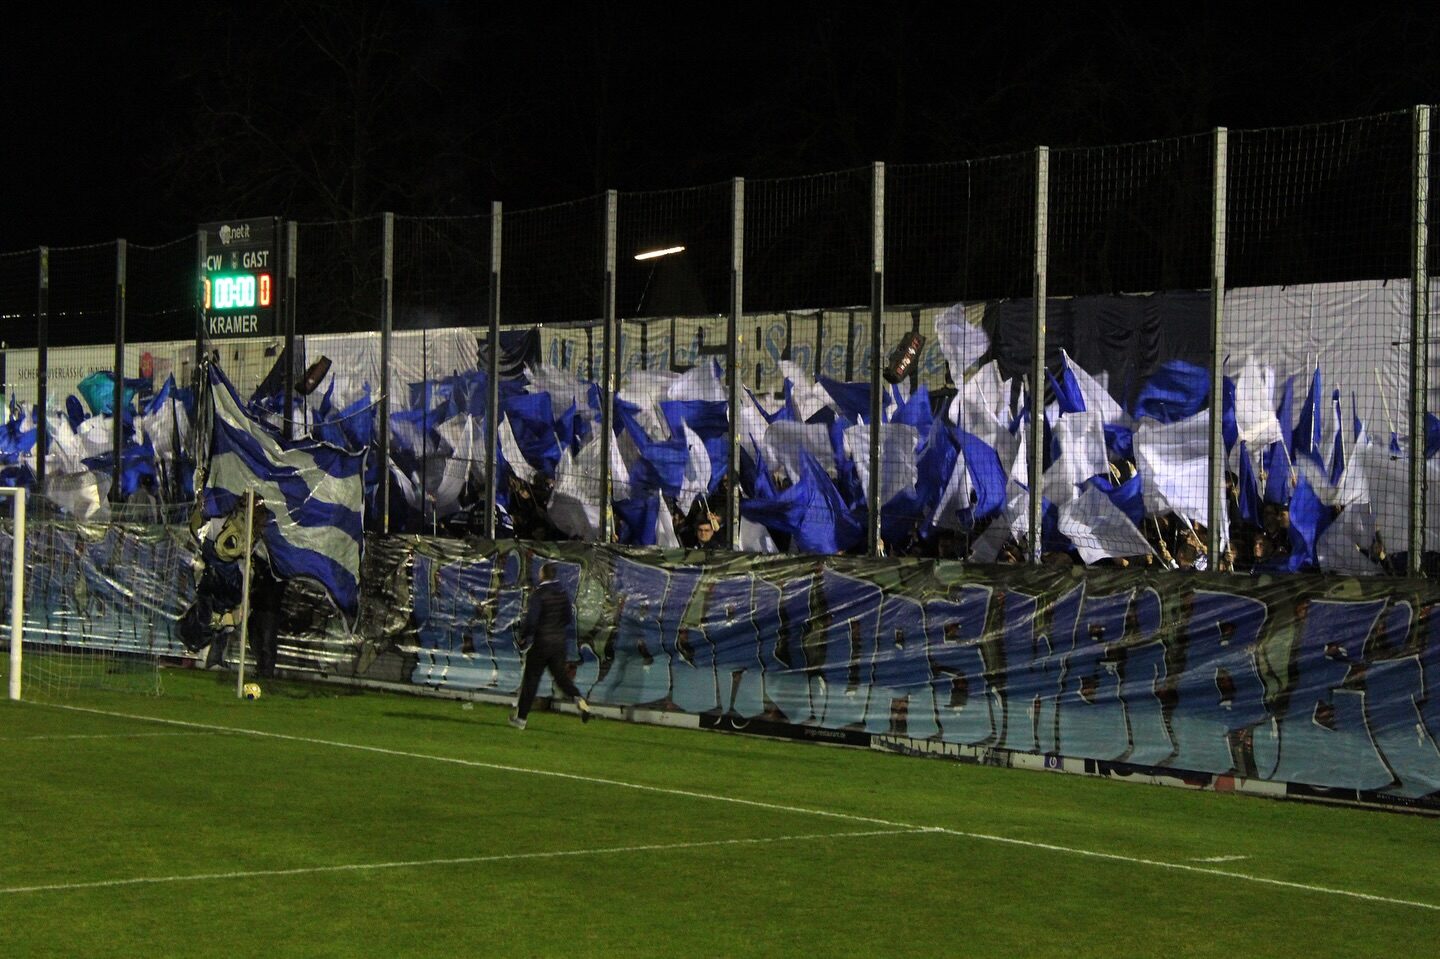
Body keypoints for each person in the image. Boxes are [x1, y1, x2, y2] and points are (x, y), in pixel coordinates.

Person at [510, 562, 592, 729]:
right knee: (561, 678)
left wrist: (524, 636)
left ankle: (521, 719)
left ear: (543, 574)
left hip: (541, 643)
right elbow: (568, 617)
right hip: (559, 643)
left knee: (531, 680)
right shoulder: (562, 593)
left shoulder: (539, 593)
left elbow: (532, 620)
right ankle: (579, 700)